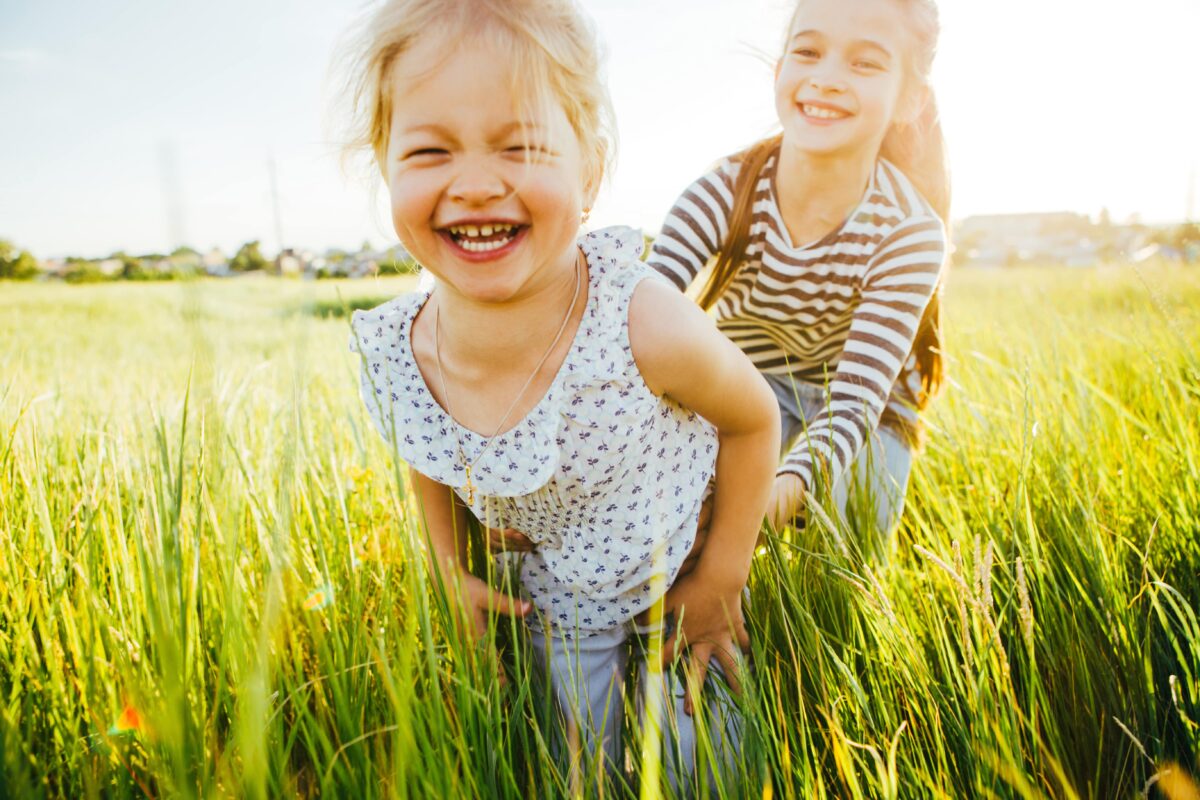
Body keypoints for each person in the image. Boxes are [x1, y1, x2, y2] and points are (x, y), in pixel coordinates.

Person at [340, 0, 779, 785]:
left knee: (697, 770)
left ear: (591, 172)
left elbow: (752, 420)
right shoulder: (398, 351)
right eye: (430, 151)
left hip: (675, 575)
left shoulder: (641, 318)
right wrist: (449, 569)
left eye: (522, 145)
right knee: (575, 764)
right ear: (384, 165)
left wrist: (721, 578)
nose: (475, 185)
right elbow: (426, 452)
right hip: (556, 601)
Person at [647, 0, 950, 547]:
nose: (827, 79)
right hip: (748, 386)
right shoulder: (722, 193)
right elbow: (629, 327)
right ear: (779, 69)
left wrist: (748, 517)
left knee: (842, 547)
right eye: (808, 52)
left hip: (867, 404)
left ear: (909, 100)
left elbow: (854, 399)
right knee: (675, 521)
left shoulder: (910, 232)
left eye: (865, 64)